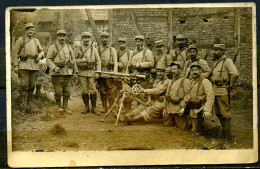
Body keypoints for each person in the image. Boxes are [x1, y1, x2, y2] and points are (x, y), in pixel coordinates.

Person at [12, 23, 44, 112]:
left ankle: (29, 105)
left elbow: (41, 51)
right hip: (23, 65)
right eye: (28, 29)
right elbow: (14, 53)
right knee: (23, 85)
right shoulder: (20, 40)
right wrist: (15, 65)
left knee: (32, 85)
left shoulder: (36, 41)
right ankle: (22, 106)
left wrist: (40, 56)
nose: (30, 31)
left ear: (34, 32)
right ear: (25, 31)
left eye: (32, 30)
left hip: (34, 66)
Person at [211, 44, 239, 140]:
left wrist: (230, 85)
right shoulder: (217, 62)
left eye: (217, 50)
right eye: (214, 50)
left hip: (222, 91)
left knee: (225, 114)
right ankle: (223, 132)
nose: (214, 52)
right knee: (218, 113)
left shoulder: (227, 61)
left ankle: (226, 137)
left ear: (222, 51)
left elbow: (235, 74)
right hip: (214, 91)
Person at [46, 30, 78, 114]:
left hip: (68, 72)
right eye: (60, 36)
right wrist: (54, 67)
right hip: (57, 73)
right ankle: (58, 107)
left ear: (65, 37)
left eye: (64, 36)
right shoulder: (52, 47)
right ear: (57, 37)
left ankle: (65, 107)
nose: (62, 38)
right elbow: (48, 59)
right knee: (58, 92)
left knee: (67, 91)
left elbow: (73, 59)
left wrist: (75, 71)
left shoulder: (69, 47)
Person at [74, 32, 101, 115]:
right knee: (84, 90)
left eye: (88, 38)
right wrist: (77, 70)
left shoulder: (94, 49)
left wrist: (97, 72)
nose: (86, 39)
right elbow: (73, 61)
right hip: (81, 73)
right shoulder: (77, 49)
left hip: (92, 72)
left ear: (90, 39)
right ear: (82, 39)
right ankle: (86, 107)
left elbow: (98, 61)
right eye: (84, 38)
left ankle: (94, 108)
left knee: (93, 90)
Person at [187, 62, 215, 134]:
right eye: (192, 70)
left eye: (196, 70)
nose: (194, 72)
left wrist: (207, 110)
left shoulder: (205, 82)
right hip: (193, 108)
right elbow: (187, 94)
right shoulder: (191, 82)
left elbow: (210, 97)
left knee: (205, 129)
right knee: (192, 129)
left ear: (200, 71)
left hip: (202, 108)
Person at [97, 32, 118, 113]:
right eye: (103, 38)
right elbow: (96, 61)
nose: (104, 39)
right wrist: (97, 73)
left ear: (108, 39)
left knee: (110, 91)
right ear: (100, 39)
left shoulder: (112, 49)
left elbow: (115, 62)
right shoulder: (97, 49)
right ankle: (104, 107)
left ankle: (112, 107)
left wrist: (115, 73)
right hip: (101, 72)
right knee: (102, 91)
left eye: (106, 38)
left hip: (109, 73)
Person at [116, 38, 134, 111]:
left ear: (126, 44)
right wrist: (118, 63)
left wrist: (128, 73)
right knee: (119, 90)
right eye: (120, 43)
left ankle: (127, 107)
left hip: (127, 74)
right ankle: (119, 106)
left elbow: (131, 63)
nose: (121, 45)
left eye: (123, 43)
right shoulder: (117, 53)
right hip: (119, 74)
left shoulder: (130, 53)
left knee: (127, 90)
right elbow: (113, 62)